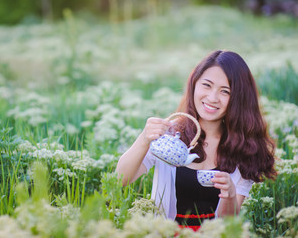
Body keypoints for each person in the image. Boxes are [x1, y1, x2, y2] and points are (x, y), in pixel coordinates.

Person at [116, 50, 276, 231]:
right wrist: (144, 139)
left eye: (225, 91)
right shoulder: (171, 135)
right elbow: (120, 179)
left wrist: (230, 195)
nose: (212, 97)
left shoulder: (245, 148)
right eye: (207, 85)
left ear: (238, 99)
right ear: (194, 85)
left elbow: (229, 225)